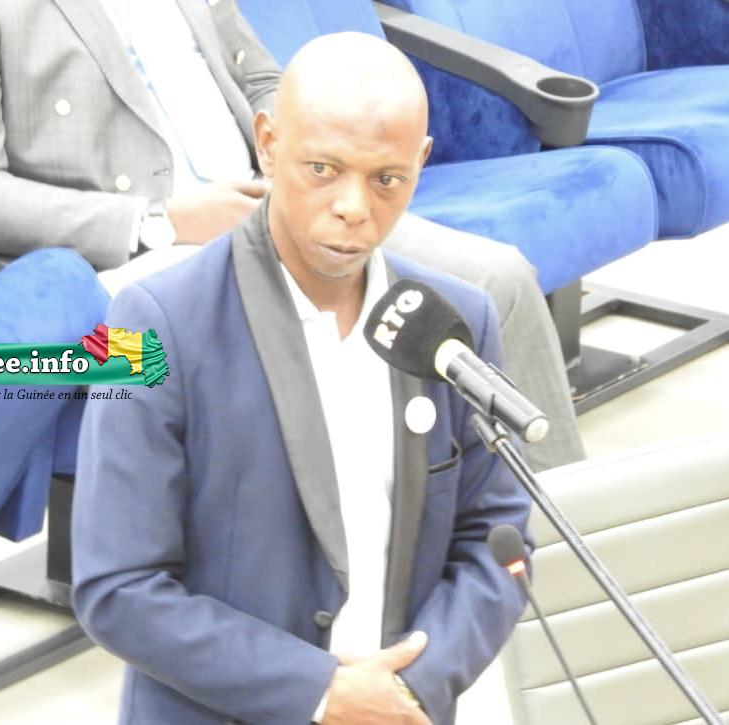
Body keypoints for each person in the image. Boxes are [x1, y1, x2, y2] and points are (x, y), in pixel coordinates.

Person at [0, 0, 584, 472]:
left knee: (496, 283)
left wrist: (302, 155)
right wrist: (162, 219)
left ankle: (563, 559)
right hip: (149, 258)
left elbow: (260, 78)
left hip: (284, 206)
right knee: (292, 356)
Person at [71, 32, 532, 725]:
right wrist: (321, 692)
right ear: (267, 143)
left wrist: (412, 687)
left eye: (387, 179)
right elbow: (117, 587)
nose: (354, 206)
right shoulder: (143, 324)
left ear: (421, 161)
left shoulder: (458, 321)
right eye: (323, 168)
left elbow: (497, 542)